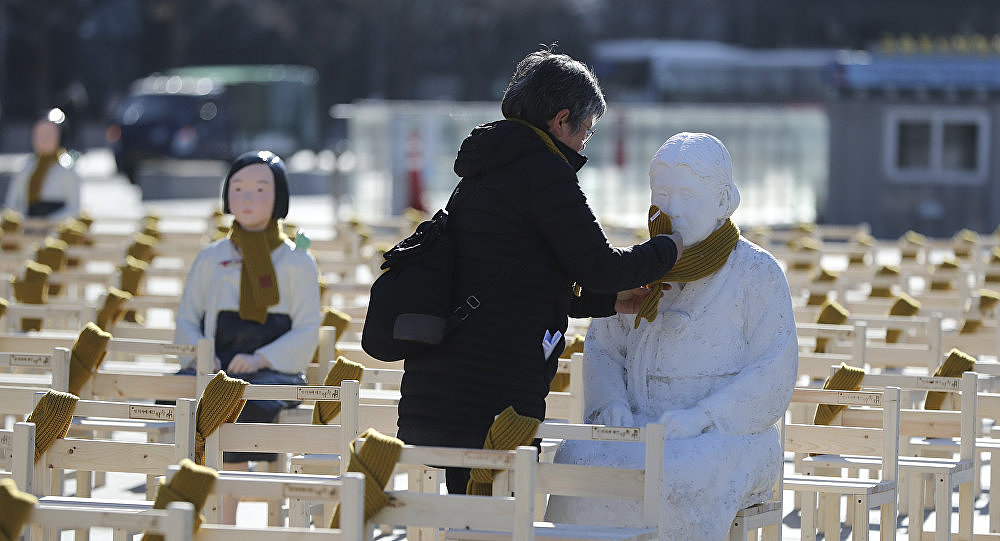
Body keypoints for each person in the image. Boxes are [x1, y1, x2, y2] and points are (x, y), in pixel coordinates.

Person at [395, 44, 684, 495]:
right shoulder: (543, 172)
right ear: (560, 119)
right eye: (586, 129)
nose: (586, 141)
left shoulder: (487, 169)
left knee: (459, 517)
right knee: (491, 518)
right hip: (492, 393)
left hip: (441, 382)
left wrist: (609, 302)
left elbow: (521, 278)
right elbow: (600, 265)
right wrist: (670, 248)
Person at [543, 132, 798, 540]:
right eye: (661, 194)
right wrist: (611, 403)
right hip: (640, 424)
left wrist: (703, 416)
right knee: (579, 457)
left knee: (678, 472)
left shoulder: (757, 272)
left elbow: (774, 369)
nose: (671, 209)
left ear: (723, 201)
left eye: (687, 195)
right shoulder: (639, 265)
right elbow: (605, 349)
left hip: (726, 435)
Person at [173, 150, 321, 522]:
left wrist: (260, 359)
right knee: (184, 399)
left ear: (280, 196)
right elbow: (187, 320)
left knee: (238, 407)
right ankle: (188, 505)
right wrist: (203, 356)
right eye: (238, 189)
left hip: (274, 373)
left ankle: (227, 516)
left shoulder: (298, 261)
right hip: (215, 368)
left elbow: (306, 329)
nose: (248, 198)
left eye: (259, 188)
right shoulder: (211, 258)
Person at [5, 115, 81, 219]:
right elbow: (12, 203)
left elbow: (74, 208)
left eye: (49, 135)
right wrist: (19, 218)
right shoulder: (26, 168)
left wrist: (48, 221)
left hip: (56, 230)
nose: (44, 139)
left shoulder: (66, 171)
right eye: (39, 135)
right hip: (28, 229)